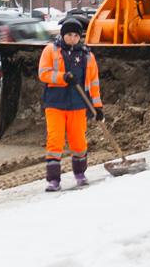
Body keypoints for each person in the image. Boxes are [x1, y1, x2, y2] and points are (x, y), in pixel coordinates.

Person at [38, 18, 103, 191]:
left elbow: (93, 83)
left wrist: (97, 107)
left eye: (76, 35)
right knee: (55, 141)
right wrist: (62, 77)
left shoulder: (88, 56)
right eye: (69, 35)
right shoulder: (50, 51)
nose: (72, 38)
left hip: (78, 104)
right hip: (55, 103)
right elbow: (43, 74)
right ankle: (53, 180)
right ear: (62, 34)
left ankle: (80, 174)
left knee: (79, 141)